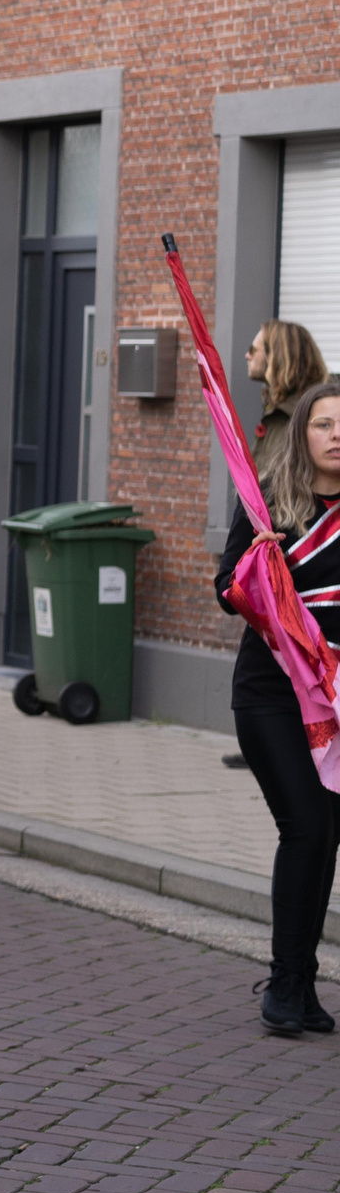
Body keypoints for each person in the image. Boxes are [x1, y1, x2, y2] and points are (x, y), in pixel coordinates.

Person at [216, 376, 340, 1036]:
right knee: (308, 827)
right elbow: (224, 588)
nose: (337, 436)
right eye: (324, 424)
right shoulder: (267, 504)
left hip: (337, 701)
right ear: (303, 433)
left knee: (329, 835)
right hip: (273, 695)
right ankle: (285, 983)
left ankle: (304, 983)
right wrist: (258, 571)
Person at [247, 320, 327, 474]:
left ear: (276, 355)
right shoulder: (278, 408)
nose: (247, 356)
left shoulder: (309, 414)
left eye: (253, 350)